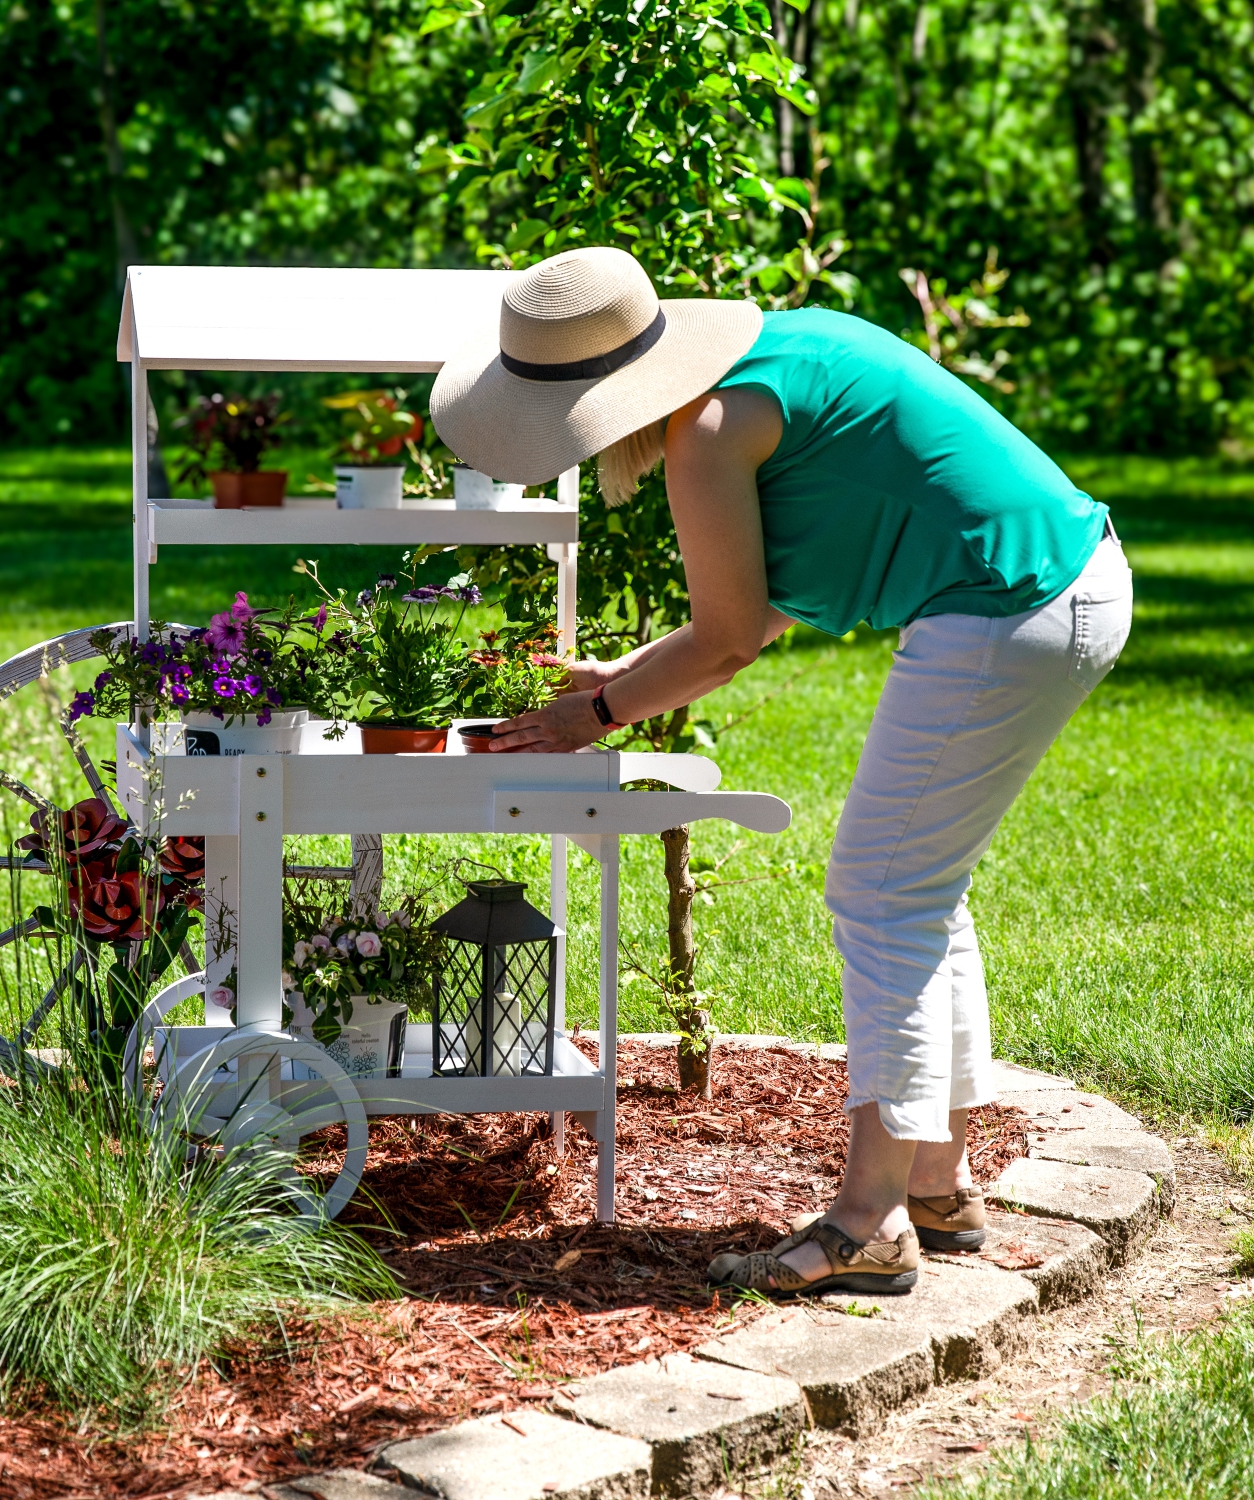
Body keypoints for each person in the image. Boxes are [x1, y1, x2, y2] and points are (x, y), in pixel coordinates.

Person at [430, 246, 1132, 1298]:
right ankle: (937, 1183)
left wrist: (596, 713)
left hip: (1009, 606)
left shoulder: (707, 436)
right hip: (1064, 580)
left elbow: (725, 645)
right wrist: (628, 675)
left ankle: (868, 1222)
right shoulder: (783, 355)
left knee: (881, 890)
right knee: (919, 887)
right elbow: (778, 582)